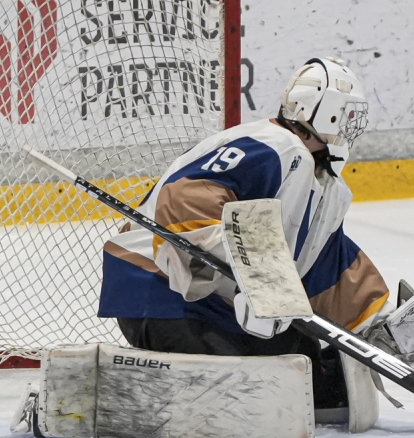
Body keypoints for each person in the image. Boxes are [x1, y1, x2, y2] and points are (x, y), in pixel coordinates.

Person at [97, 56, 389, 412]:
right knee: (243, 398)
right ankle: (120, 393)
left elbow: (326, 262)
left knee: (307, 372)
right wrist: (254, 275)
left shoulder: (326, 184)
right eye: (346, 115)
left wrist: (381, 323)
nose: (351, 127)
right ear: (322, 113)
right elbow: (185, 196)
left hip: (215, 308)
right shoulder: (273, 146)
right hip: (161, 293)